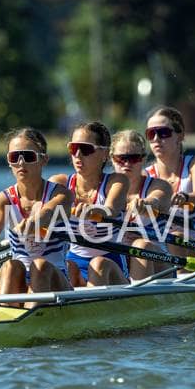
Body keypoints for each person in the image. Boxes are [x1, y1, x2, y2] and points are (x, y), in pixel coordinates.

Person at [0, 127, 73, 307]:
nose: (20, 163)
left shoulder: (62, 195)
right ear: (9, 162)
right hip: (19, 280)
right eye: (14, 157)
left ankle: (28, 316)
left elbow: (48, 212)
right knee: (10, 266)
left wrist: (34, 222)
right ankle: (4, 315)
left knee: (39, 265)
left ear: (44, 160)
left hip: (55, 282)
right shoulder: (1, 200)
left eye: (28, 156)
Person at [49, 122, 130, 287]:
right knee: (66, 266)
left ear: (104, 153)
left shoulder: (117, 181)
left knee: (98, 264)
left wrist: (93, 210)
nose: (78, 155)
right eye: (73, 148)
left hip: (110, 264)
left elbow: (111, 209)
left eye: (86, 149)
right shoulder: (60, 183)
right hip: (74, 262)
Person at [144, 106, 195, 256]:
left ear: (180, 135)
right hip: (161, 248)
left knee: (176, 238)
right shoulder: (145, 175)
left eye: (163, 132)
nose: (156, 139)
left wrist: (185, 197)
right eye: (151, 134)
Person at [110, 129, 172, 279]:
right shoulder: (104, 189)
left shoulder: (160, 186)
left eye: (134, 158)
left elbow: (156, 199)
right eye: (121, 158)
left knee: (141, 245)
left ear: (143, 159)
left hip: (157, 265)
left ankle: (138, 292)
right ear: (112, 159)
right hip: (118, 260)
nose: (127, 163)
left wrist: (146, 204)